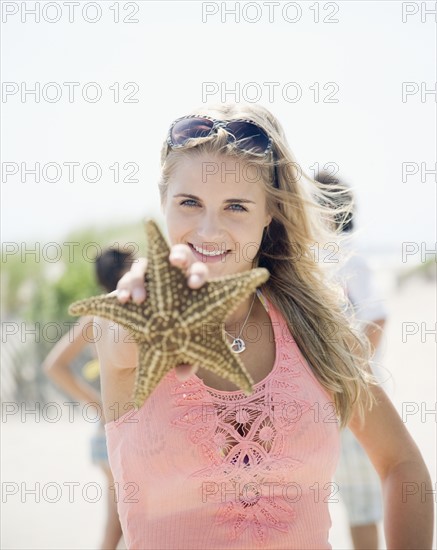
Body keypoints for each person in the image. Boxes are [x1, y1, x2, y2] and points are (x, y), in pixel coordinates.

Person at [93, 104, 433, 549]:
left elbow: (402, 465)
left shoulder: (315, 330)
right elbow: (126, 338)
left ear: (269, 213)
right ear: (163, 202)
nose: (209, 230)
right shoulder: (123, 316)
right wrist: (150, 300)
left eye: (236, 206)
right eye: (190, 202)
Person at [43, 248, 134, 550]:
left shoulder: (98, 313)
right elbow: (53, 366)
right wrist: (97, 402)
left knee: (125, 521)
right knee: (117, 525)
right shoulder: (108, 312)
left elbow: (55, 365)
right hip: (116, 433)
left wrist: (98, 403)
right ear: (122, 273)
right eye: (133, 265)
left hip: (108, 431)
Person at [316, 172, 387, 549]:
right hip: (330, 400)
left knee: (361, 504)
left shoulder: (349, 254)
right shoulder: (321, 256)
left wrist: (345, 378)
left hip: (354, 397)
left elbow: (377, 318)